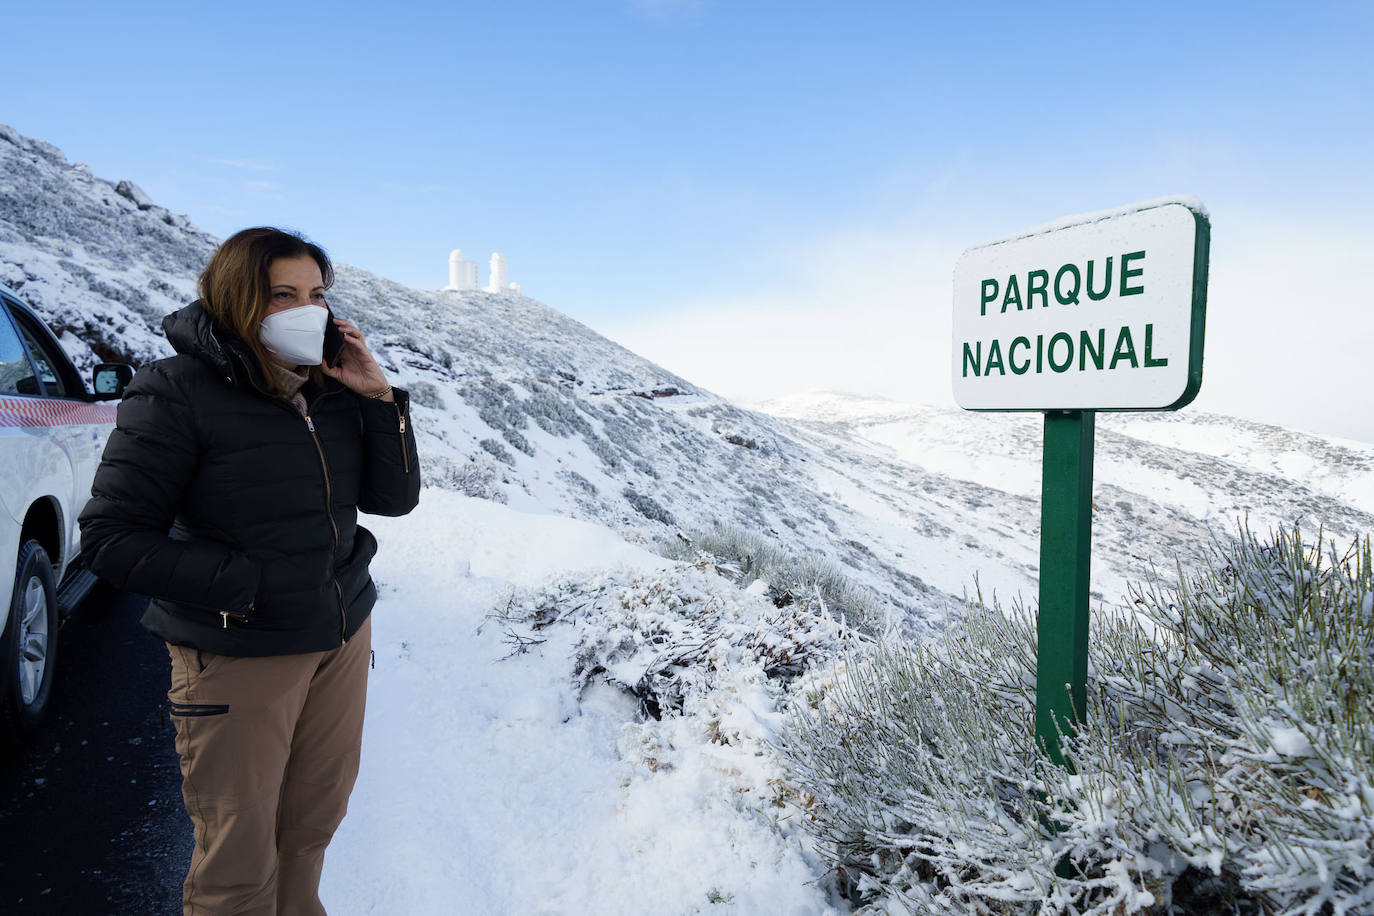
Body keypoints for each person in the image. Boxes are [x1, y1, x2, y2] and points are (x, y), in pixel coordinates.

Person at [78, 227, 421, 914]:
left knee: (309, 829)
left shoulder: (330, 387)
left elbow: (394, 499)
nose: (308, 310)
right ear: (239, 301)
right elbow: (111, 539)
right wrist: (251, 586)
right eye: (283, 295)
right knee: (238, 859)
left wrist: (380, 399)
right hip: (240, 650)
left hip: (339, 637)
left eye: (318, 294)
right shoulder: (176, 390)